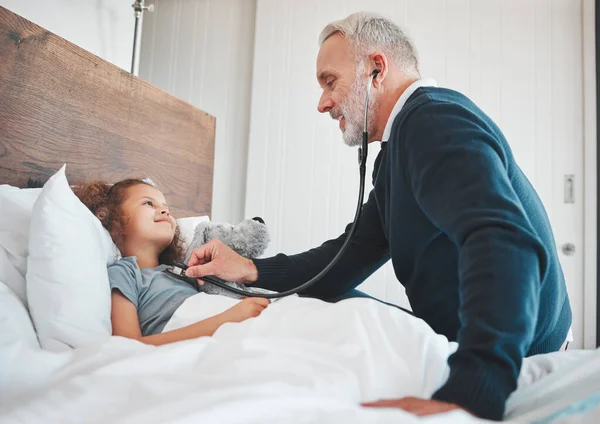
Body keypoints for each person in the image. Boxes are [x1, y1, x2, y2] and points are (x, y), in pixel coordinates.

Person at [184, 12, 572, 421]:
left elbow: (505, 243)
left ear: (376, 68)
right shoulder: (399, 150)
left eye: (329, 81)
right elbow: (344, 258)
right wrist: (249, 268)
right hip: (480, 345)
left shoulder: (431, 123)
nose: (322, 104)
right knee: (328, 307)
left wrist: (474, 390)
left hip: (524, 360)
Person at [74, 179, 270, 346]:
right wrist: (227, 319)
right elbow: (128, 346)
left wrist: (241, 305)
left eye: (166, 207)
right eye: (149, 204)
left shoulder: (180, 270)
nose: (164, 211)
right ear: (115, 224)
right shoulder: (125, 272)